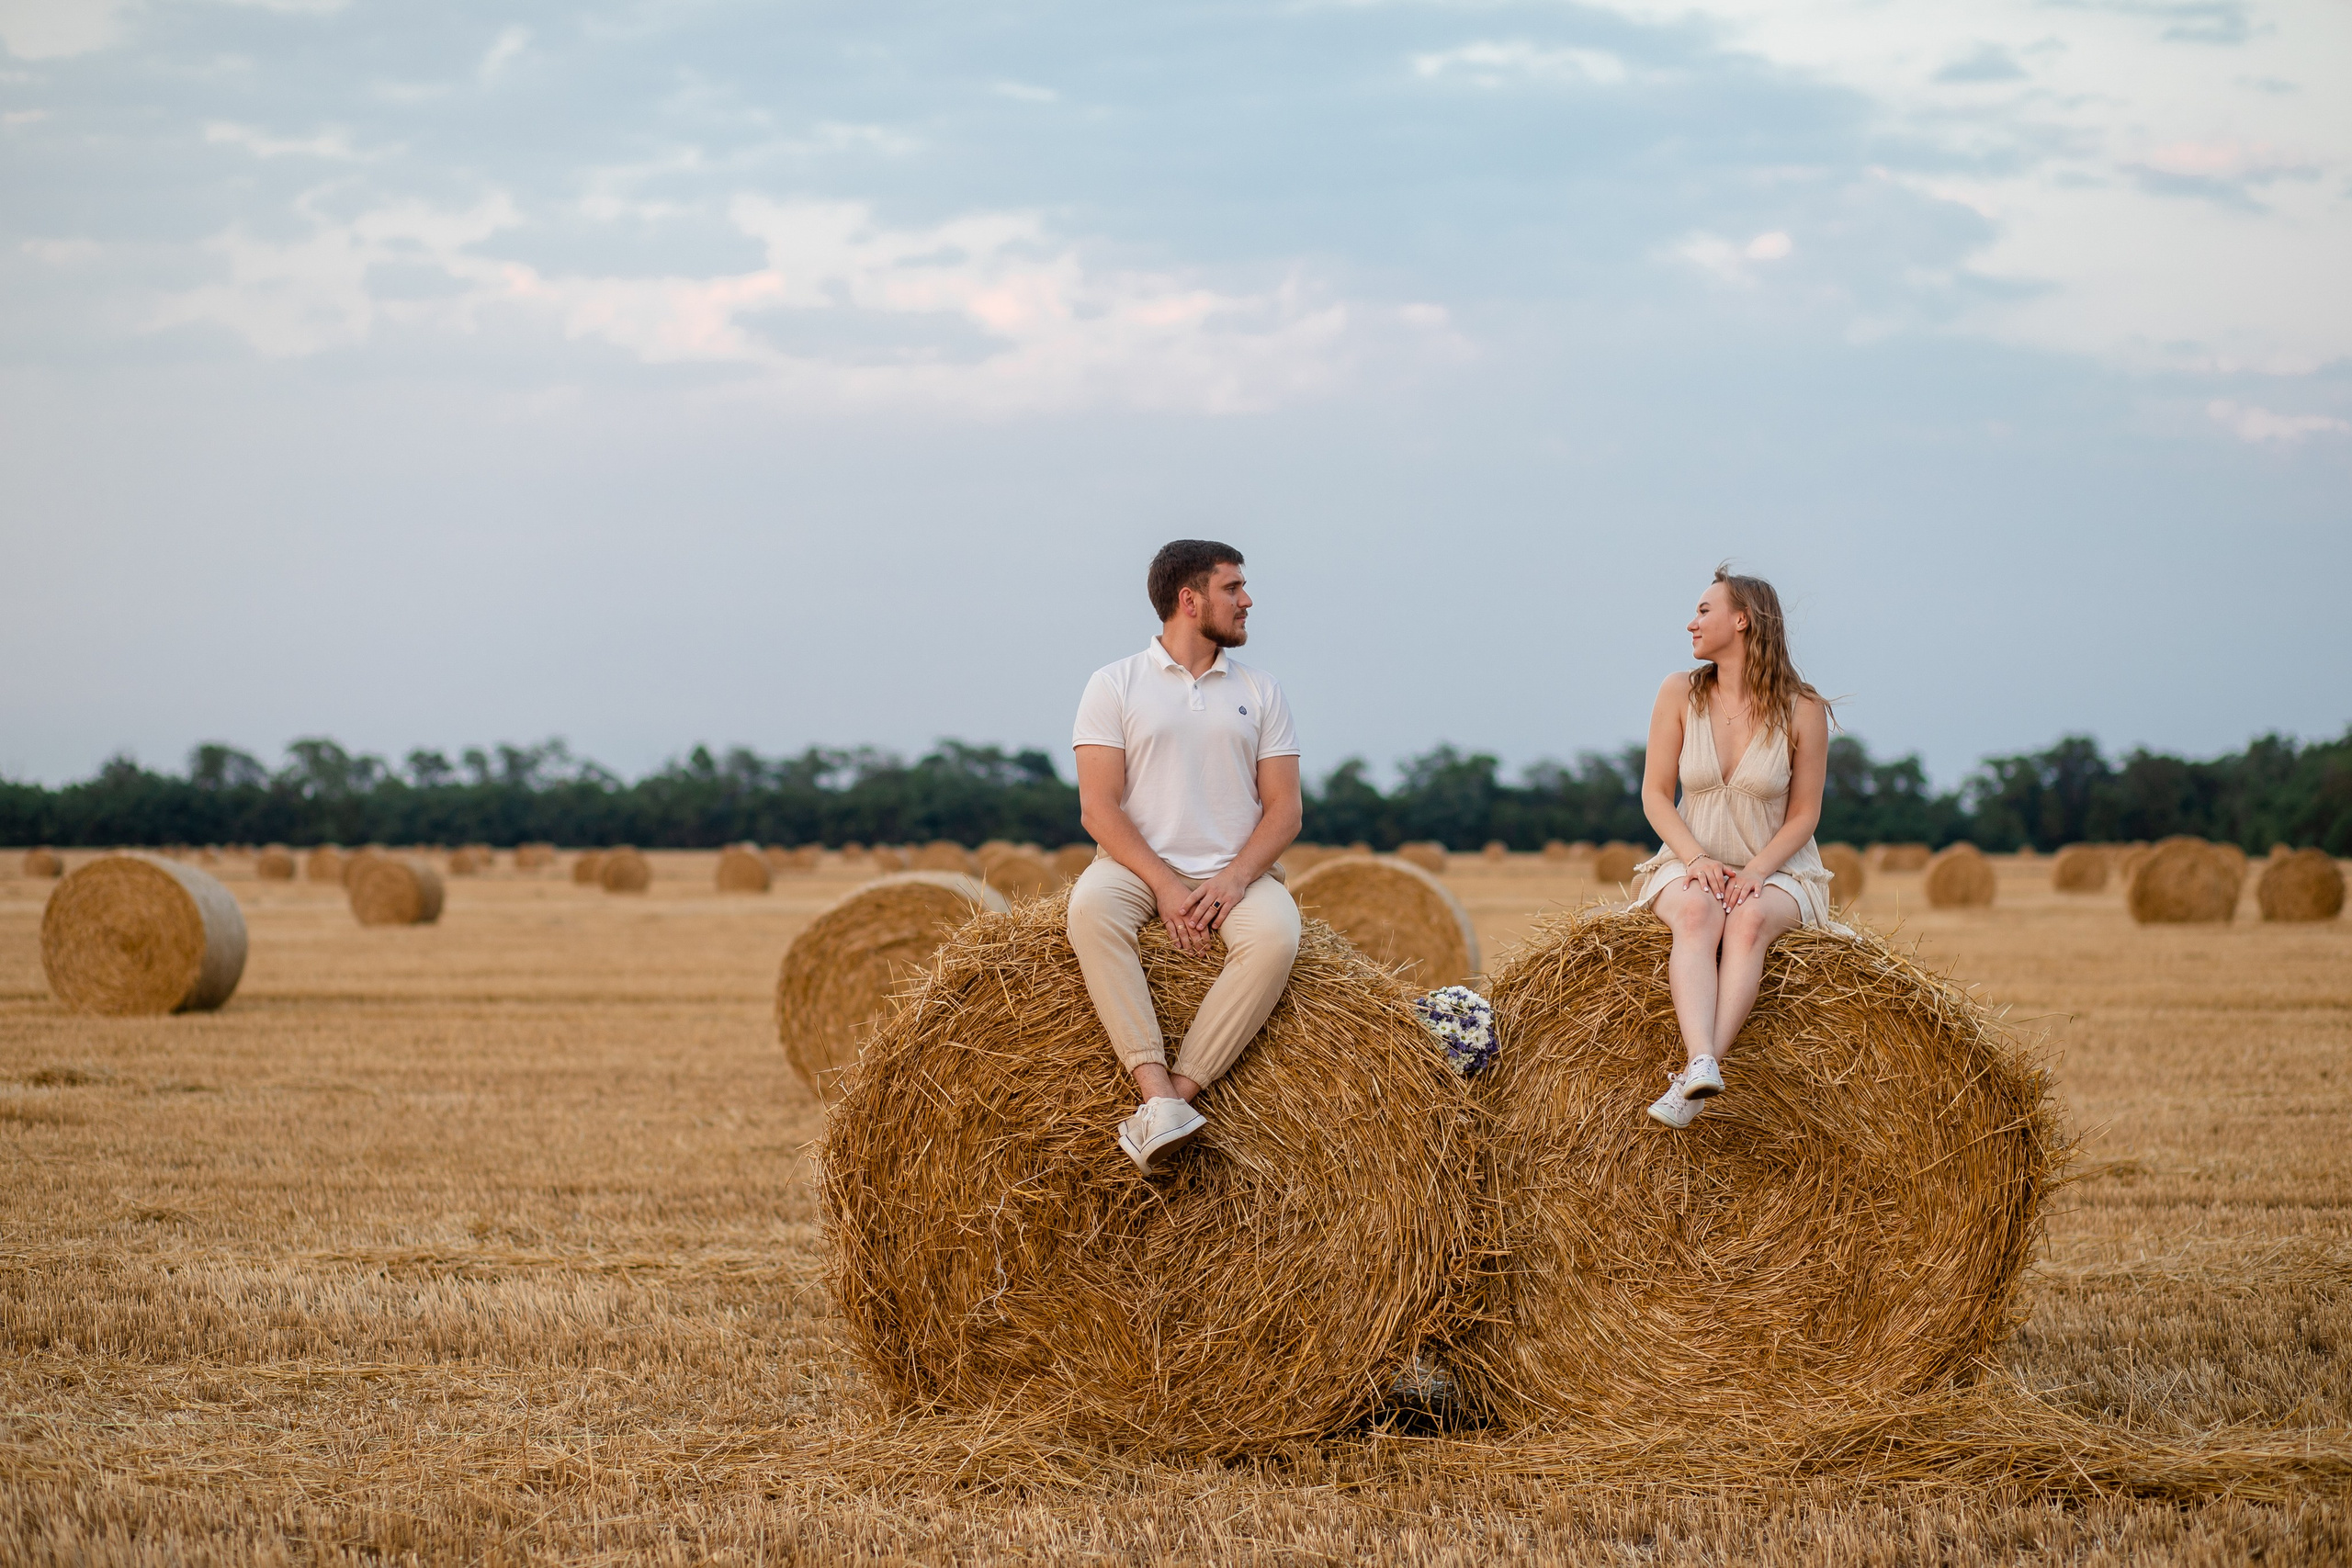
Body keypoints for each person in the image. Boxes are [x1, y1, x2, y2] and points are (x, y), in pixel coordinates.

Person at [1068, 540, 1303, 1173]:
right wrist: (1167, 887)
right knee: (1089, 911)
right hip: (1134, 867)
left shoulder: (1262, 688)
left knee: (1278, 937)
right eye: (1234, 588)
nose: (1247, 600)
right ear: (1189, 599)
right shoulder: (1114, 683)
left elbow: (1284, 809)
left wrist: (1235, 877)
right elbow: (1099, 808)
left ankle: (1178, 1097)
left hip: (1238, 871)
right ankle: (1152, 1086)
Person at [1629, 567, 1840, 1129]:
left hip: (1779, 871)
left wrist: (1758, 873)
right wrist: (1696, 860)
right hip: (1687, 860)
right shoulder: (1679, 692)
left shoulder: (1803, 709)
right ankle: (1701, 1061)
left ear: (1741, 620)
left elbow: (1804, 816)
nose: (1691, 622)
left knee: (1746, 921)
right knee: (1698, 914)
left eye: (1704, 610)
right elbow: (1654, 794)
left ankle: (1696, 1075)